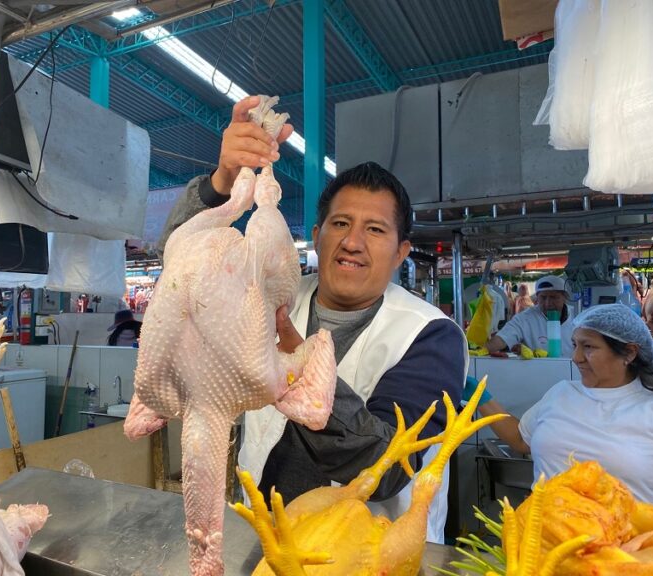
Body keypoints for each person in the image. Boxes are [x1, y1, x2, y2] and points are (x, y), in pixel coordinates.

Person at [159, 95, 468, 543]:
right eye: (340, 224)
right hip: (260, 539)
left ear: (402, 251)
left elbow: (387, 467)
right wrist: (223, 180)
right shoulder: (271, 295)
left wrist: (304, 372)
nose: (353, 242)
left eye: (376, 230)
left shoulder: (430, 336)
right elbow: (182, 271)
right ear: (317, 237)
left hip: (366, 557)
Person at [474, 304, 653, 502]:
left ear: (629, 352)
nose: (576, 357)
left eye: (588, 347)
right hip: (543, 530)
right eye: (574, 345)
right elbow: (520, 439)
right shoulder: (562, 393)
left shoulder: (652, 408)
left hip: (626, 532)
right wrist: (479, 396)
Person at [486, 275, 575, 356]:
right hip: (539, 370)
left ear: (565, 297)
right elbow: (503, 338)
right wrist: (484, 350)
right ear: (537, 297)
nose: (548, 303)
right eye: (543, 298)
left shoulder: (577, 316)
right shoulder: (525, 318)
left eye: (554, 297)